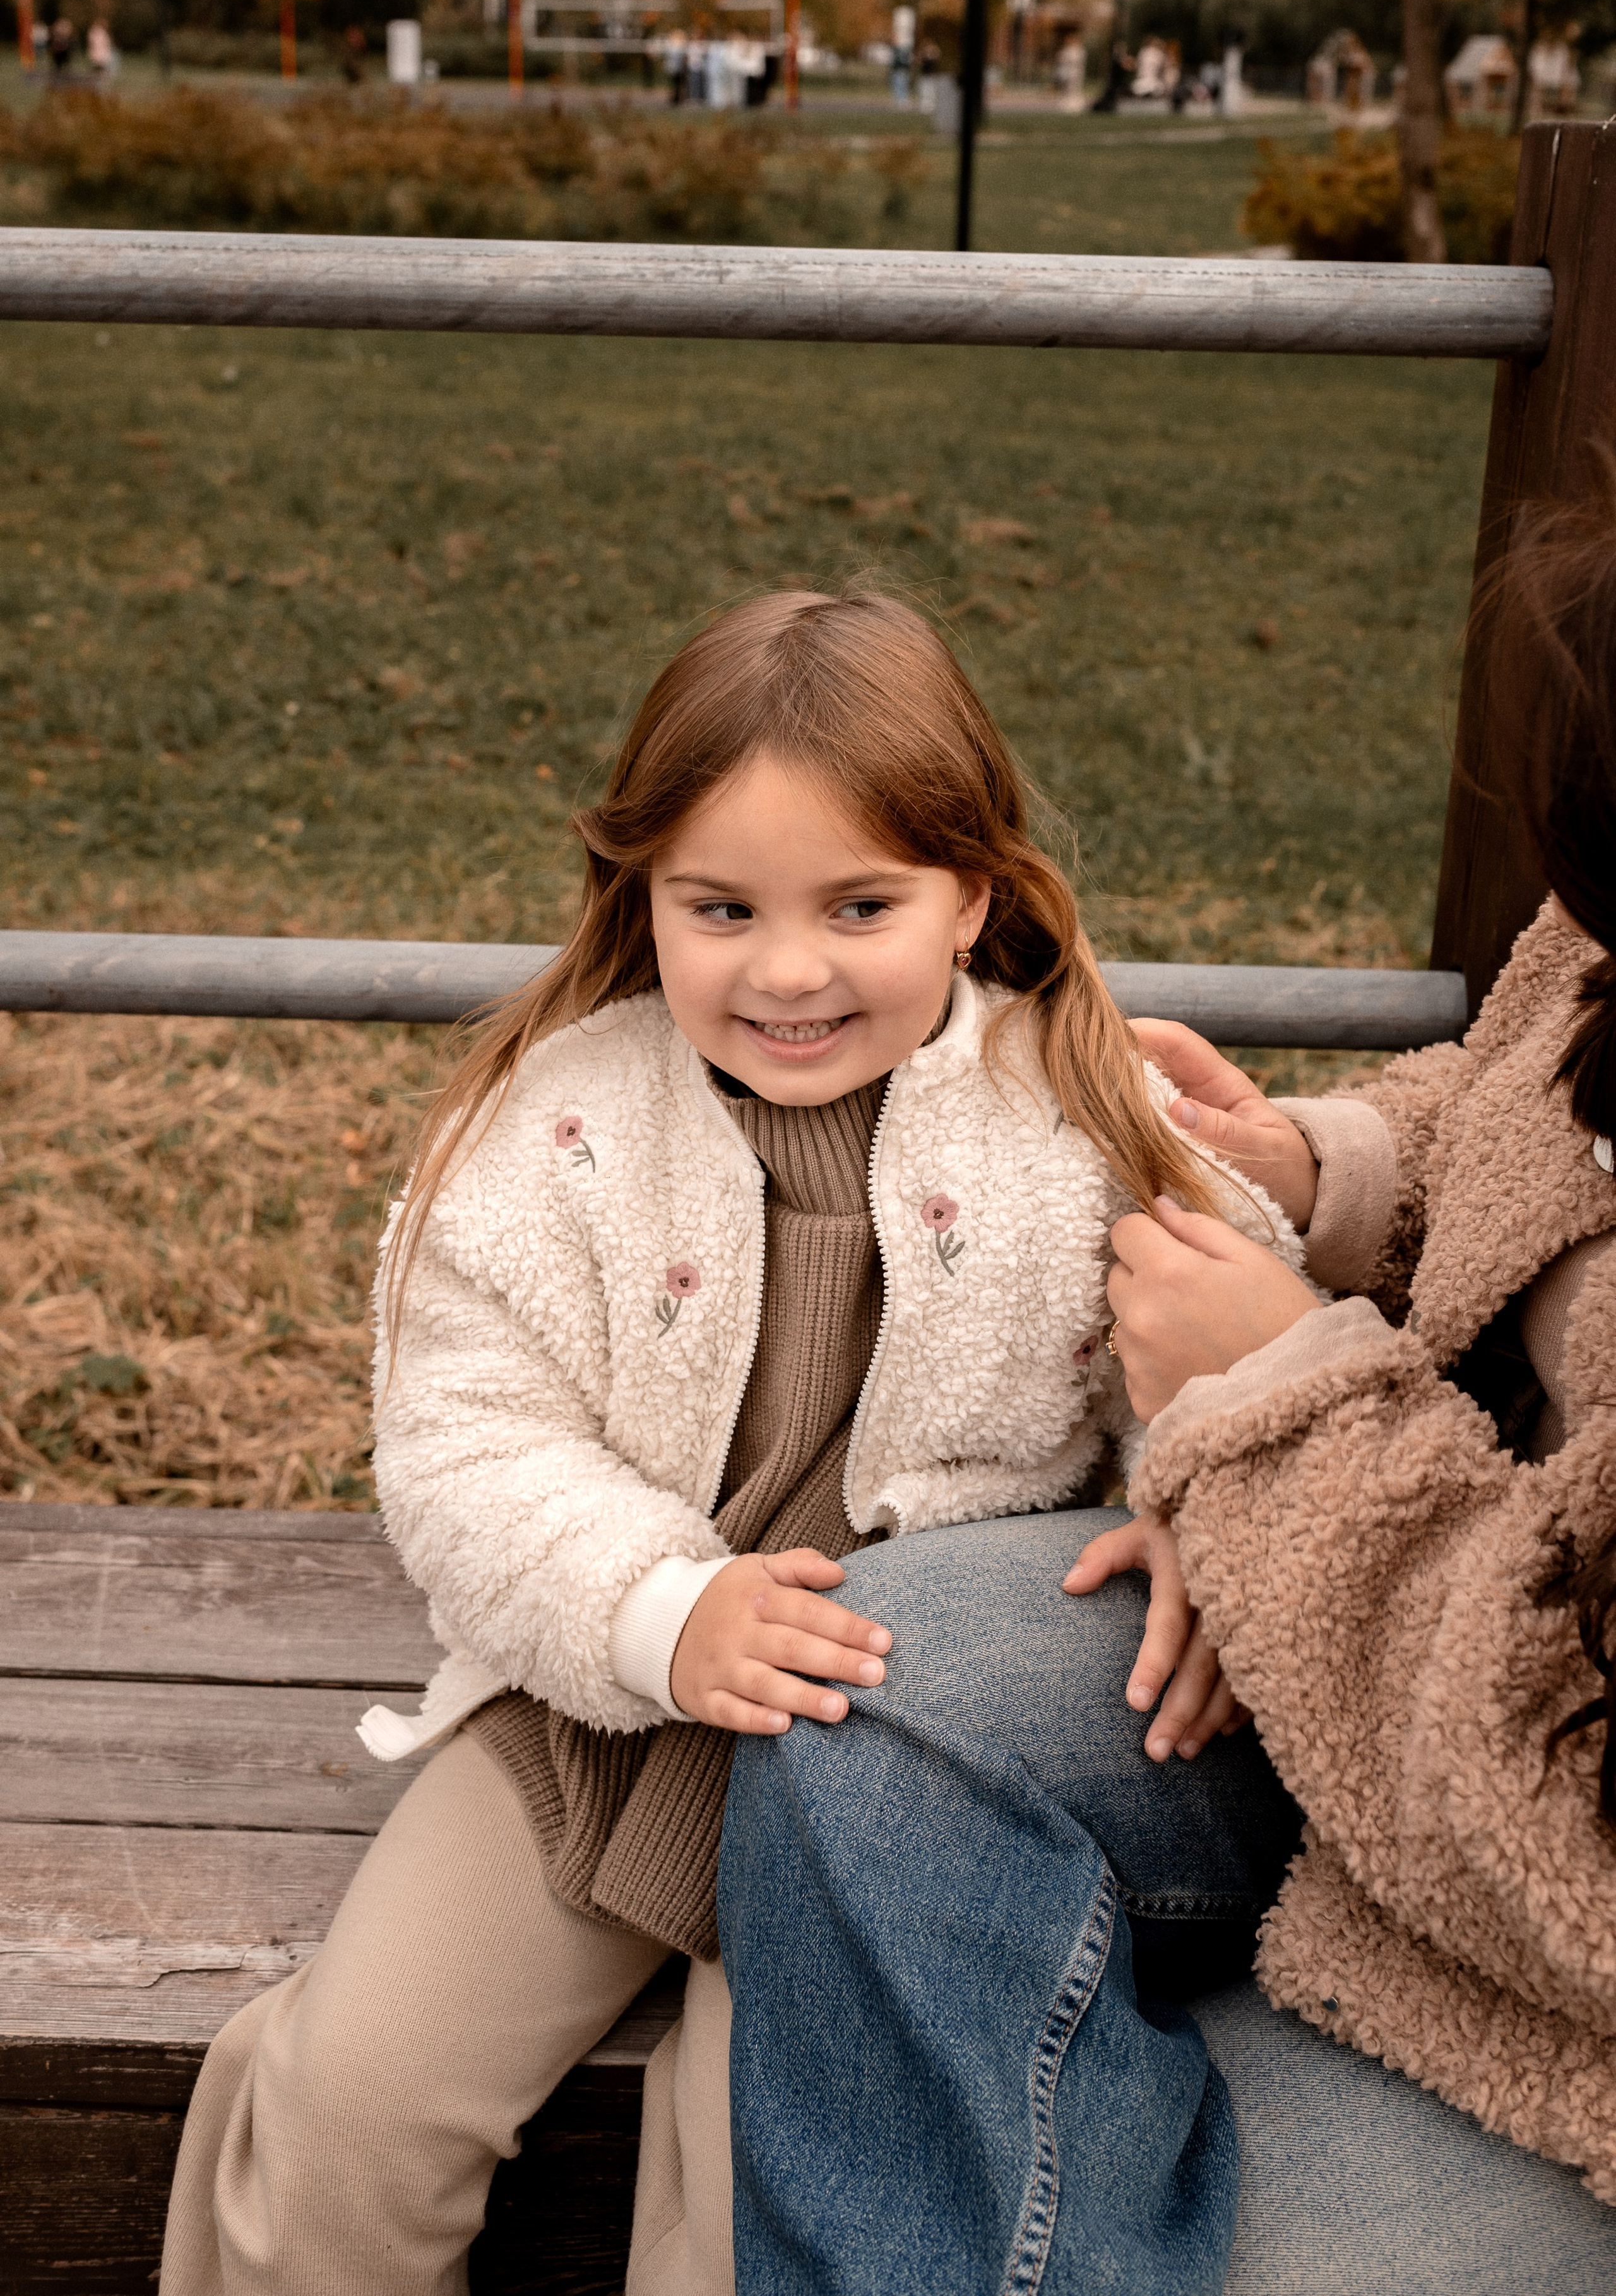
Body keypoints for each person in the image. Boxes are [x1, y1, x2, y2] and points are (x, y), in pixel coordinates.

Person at [158, 590, 1291, 2294]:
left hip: (889, 1802)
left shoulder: (1076, 1121)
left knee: (751, 2212)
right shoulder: (556, 1128)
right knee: (343, 2113)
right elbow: (464, 1438)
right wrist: (659, 1613)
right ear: (645, 897)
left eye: (861, 905)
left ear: (973, 896)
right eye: (723, 907)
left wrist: (1201, 1497)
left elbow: (1237, 1334)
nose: (787, 968)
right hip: (591, 1725)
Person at [719, 511, 1616, 2290]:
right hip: (1408, 1677)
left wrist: (1272, 1419)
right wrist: (1327, 1172)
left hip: (1559, 1966)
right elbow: (1547, 1109)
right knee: (870, 1699)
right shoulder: (1606, 948)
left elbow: (1566, 1840)